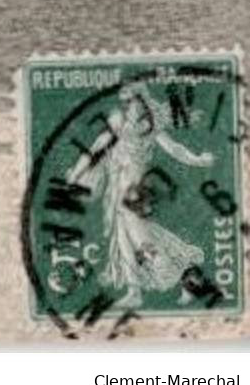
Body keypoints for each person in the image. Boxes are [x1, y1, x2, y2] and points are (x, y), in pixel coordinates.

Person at [65, 83, 215, 309]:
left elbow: (175, 149)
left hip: (135, 195)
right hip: (118, 192)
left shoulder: (151, 129)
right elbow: (93, 150)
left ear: (143, 104)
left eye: (134, 104)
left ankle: (187, 280)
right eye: (127, 105)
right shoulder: (118, 127)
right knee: (125, 240)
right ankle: (134, 292)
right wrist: (75, 175)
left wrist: (199, 160)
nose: (130, 109)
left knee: (142, 240)